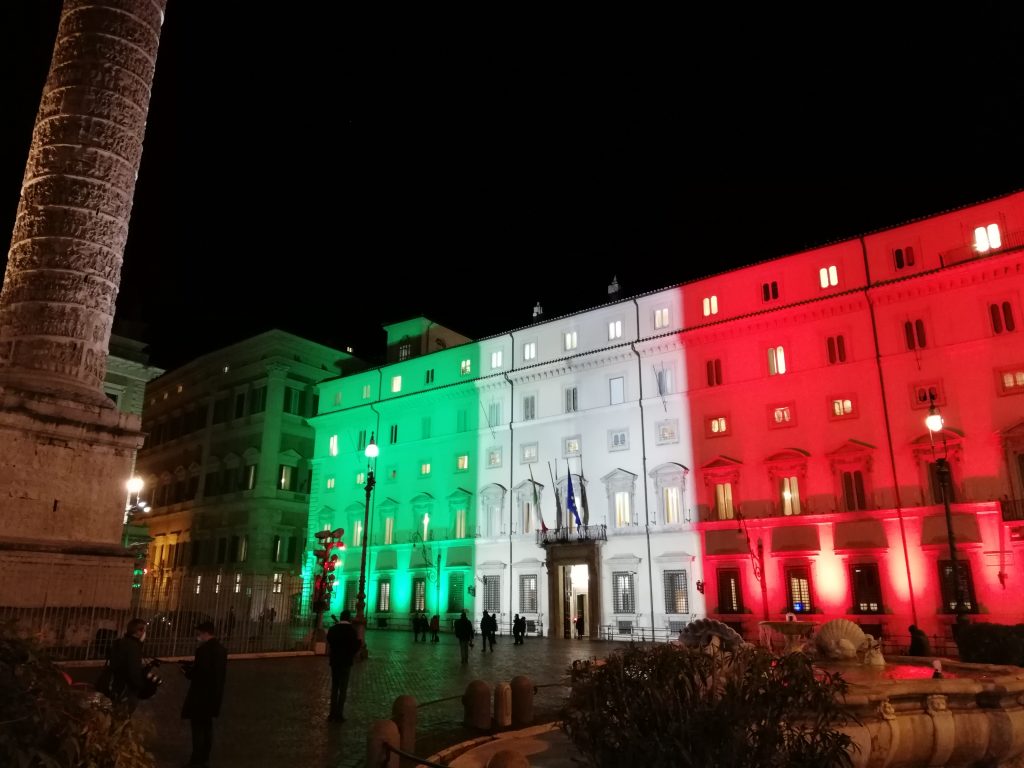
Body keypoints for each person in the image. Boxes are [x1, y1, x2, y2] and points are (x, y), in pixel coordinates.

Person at [181, 620, 228, 768]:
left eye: (199, 633)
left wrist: (187, 672)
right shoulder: (221, 650)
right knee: (207, 727)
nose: (197, 636)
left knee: (198, 729)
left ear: (206, 633)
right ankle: (205, 756)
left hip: (200, 696)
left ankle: (196, 759)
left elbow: (200, 673)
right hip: (214, 695)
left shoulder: (202, 651)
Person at [326, 609, 361, 723]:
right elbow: (356, 646)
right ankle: (339, 714)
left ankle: (332, 713)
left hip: (335, 662)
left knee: (334, 688)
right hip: (346, 662)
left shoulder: (333, 629)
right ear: (349, 618)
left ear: (340, 618)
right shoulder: (352, 631)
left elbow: (329, 641)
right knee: (343, 689)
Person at [107, 617, 147, 714]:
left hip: (116, 684)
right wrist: (140, 686)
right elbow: (133, 671)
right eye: (144, 630)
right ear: (138, 632)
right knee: (124, 714)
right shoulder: (133, 647)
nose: (145, 633)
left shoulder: (122, 642)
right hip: (127, 688)